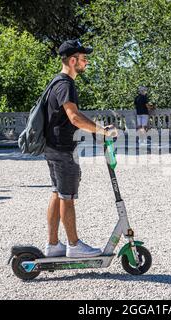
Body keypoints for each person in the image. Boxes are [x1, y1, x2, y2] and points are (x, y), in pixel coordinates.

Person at [43, 39, 117, 258]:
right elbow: (74, 118)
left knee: (57, 193)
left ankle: (53, 244)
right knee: (67, 196)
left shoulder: (56, 82)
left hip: (52, 148)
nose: (86, 62)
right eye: (84, 58)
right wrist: (103, 130)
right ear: (73, 60)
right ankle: (74, 245)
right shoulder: (66, 84)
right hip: (63, 149)